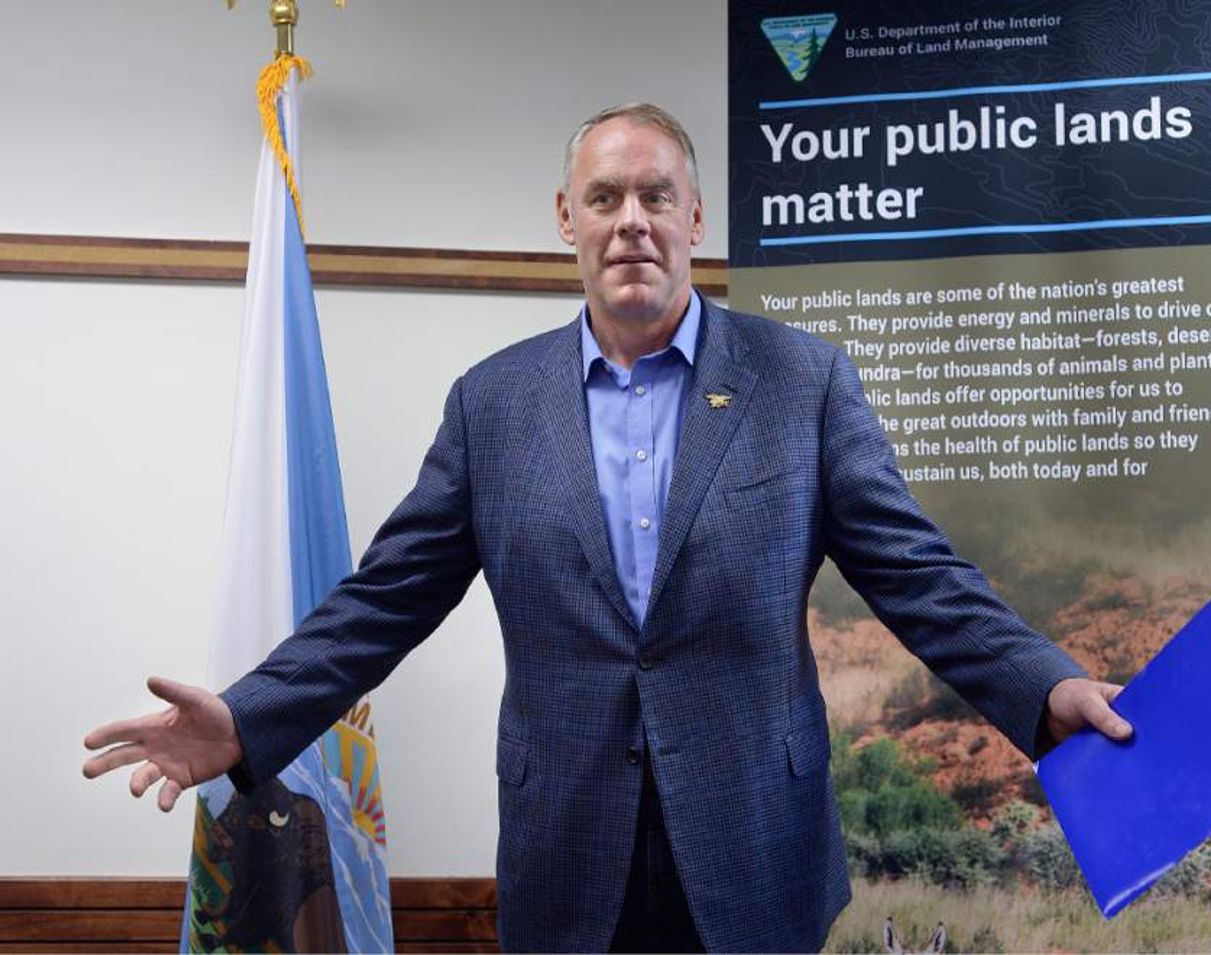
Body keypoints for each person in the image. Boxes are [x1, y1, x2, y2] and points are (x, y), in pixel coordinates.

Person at [84, 103, 1132, 953]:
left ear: (693, 218)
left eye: (653, 195)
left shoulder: (800, 383)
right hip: (567, 851)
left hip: (755, 845)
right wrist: (246, 717)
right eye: (604, 197)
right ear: (566, 219)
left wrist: (1041, 684)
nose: (629, 218)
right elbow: (383, 601)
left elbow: (916, 575)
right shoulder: (490, 406)